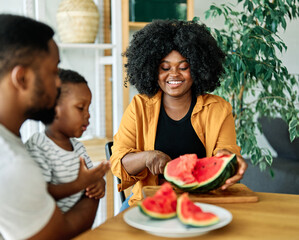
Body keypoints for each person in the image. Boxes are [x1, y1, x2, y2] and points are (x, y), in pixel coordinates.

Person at [110, 19, 248, 211]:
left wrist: (227, 158)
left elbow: (227, 150)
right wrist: (147, 157)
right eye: (165, 68)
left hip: (203, 202)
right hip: (148, 200)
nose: (174, 74)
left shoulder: (218, 108)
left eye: (183, 67)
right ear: (152, 70)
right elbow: (118, 162)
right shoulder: (139, 107)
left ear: (198, 69)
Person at [0, 14, 110, 240]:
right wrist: (92, 193)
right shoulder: (11, 164)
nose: (58, 83)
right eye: (53, 71)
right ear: (21, 79)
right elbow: (60, 234)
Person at [25, 68, 106, 213]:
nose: (88, 115)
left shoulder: (78, 147)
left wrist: (99, 183)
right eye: (81, 108)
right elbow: (41, 194)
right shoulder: (38, 146)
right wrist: (79, 184)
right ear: (55, 109)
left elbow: (90, 178)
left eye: (89, 108)